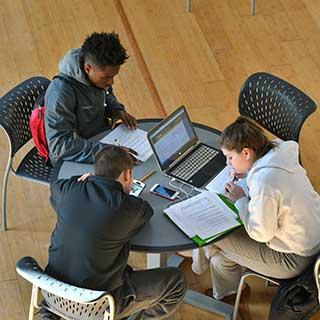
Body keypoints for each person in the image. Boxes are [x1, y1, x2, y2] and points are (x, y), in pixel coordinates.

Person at [41, 145, 187, 320]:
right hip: (96, 305)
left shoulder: (67, 191)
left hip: (52, 292)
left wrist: (83, 181)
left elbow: (56, 186)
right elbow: (146, 211)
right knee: (177, 282)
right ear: (127, 175)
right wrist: (127, 194)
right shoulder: (125, 208)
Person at [192, 116, 320, 302]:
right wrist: (248, 174)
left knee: (214, 231)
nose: (228, 163)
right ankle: (227, 289)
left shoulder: (264, 181)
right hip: (313, 238)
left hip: (294, 258)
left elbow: (261, 234)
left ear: (246, 152)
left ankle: (197, 265)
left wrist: (241, 200)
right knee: (220, 256)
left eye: (229, 157)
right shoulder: (280, 152)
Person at [44, 31, 137, 165]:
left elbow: (106, 93)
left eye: (113, 76)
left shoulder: (96, 75)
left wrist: (115, 109)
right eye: (107, 77)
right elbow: (60, 147)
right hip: (73, 158)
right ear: (88, 68)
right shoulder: (60, 94)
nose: (111, 82)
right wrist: (107, 152)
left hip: (99, 141)